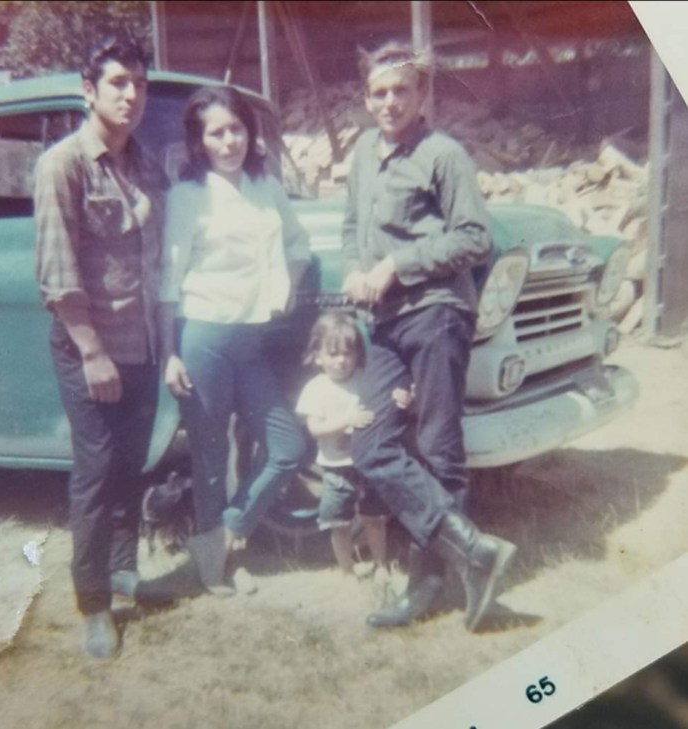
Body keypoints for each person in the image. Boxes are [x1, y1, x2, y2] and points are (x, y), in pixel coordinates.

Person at [341, 40, 516, 632]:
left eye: (401, 91)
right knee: (369, 443)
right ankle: (476, 555)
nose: (389, 102)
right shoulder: (364, 152)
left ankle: (427, 587)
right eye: (378, 92)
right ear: (365, 98)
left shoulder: (444, 155)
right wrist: (354, 268)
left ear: (421, 94)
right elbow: (350, 227)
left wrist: (397, 265)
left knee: (438, 449)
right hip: (386, 320)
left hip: (437, 311)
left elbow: (475, 238)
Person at [34, 35, 169, 659]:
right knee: (94, 472)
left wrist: (163, 344)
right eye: (117, 82)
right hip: (89, 344)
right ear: (88, 91)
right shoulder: (62, 165)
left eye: (139, 82)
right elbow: (59, 278)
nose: (131, 94)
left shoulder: (147, 164)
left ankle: (122, 571)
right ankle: (93, 605)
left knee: (130, 466)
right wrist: (92, 351)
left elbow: (157, 260)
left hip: (141, 344)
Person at [158, 85, 311, 595]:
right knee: (208, 457)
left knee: (286, 446)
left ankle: (228, 534)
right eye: (216, 133)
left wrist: (286, 283)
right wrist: (170, 353)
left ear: (251, 132)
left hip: (250, 343)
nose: (229, 142)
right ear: (199, 143)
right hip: (203, 337)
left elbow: (298, 242)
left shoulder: (266, 187)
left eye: (236, 129)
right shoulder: (187, 196)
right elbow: (168, 279)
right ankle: (216, 565)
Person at [296, 311, 391, 580]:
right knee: (339, 523)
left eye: (348, 353)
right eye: (333, 353)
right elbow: (315, 429)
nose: (341, 360)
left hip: (368, 464)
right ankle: (347, 571)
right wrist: (346, 421)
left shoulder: (364, 380)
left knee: (375, 518)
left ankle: (381, 565)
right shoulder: (315, 389)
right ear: (317, 356)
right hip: (336, 470)